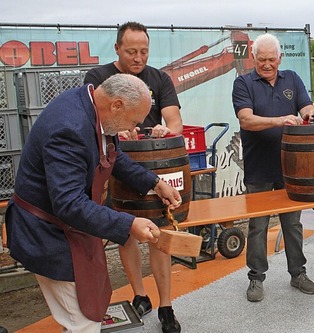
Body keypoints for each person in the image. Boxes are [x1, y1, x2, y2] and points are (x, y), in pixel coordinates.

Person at [5, 73, 182, 333]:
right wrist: (129, 223)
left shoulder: (93, 107)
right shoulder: (70, 128)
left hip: (68, 228)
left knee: (86, 311)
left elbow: (113, 156)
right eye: (134, 120)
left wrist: (154, 182)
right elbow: (68, 203)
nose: (134, 127)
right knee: (83, 322)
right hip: (46, 233)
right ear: (117, 105)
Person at [84, 22, 183, 333]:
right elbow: (93, 124)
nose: (138, 57)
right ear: (116, 49)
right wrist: (116, 129)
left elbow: (176, 121)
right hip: (117, 167)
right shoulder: (98, 78)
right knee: (124, 232)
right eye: (131, 52)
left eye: (144, 51)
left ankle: (166, 304)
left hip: (155, 167)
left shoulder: (160, 78)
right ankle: (140, 294)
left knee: (159, 236)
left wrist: (167, 129)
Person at [232, 33, 314, 302]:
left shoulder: (292, 78)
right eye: (262, 60)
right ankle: (256, 278)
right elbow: (246, 120)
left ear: (280, 58)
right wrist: (281, 120)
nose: (268, 64)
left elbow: (306, 106)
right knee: (258, 225)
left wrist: (311, 114)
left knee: (292, 224)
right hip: (258, 166)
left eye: (272, 59)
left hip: (291, 166)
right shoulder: (243, 83)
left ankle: (298, 273)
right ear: (253, 58)